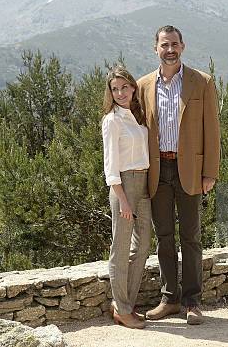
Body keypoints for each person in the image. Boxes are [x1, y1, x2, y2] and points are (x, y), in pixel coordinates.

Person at [137, 25, 221, 325]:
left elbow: (212, 130)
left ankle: (193, 302)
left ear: (182, 46)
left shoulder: (202, 82)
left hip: (190, 171)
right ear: (155, 48)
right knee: (164, 237)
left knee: (191, 237)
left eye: (174, 44)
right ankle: (169, 299)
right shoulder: (143, 85)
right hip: (157, 170)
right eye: (164, 45)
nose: (169, 49)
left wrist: (210, 171)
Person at [102, 66, 152, 329]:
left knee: (143, 244)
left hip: (143, 183)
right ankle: (122, 309)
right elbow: (110, 166)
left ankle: (125, 304)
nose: (120, 93)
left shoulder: (138, 117)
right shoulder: (112, 120)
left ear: (133, 87)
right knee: (120, 248)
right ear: (110, 93)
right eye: (115, 89)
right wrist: (121, 198)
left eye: (124, 87)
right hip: (123, 185)